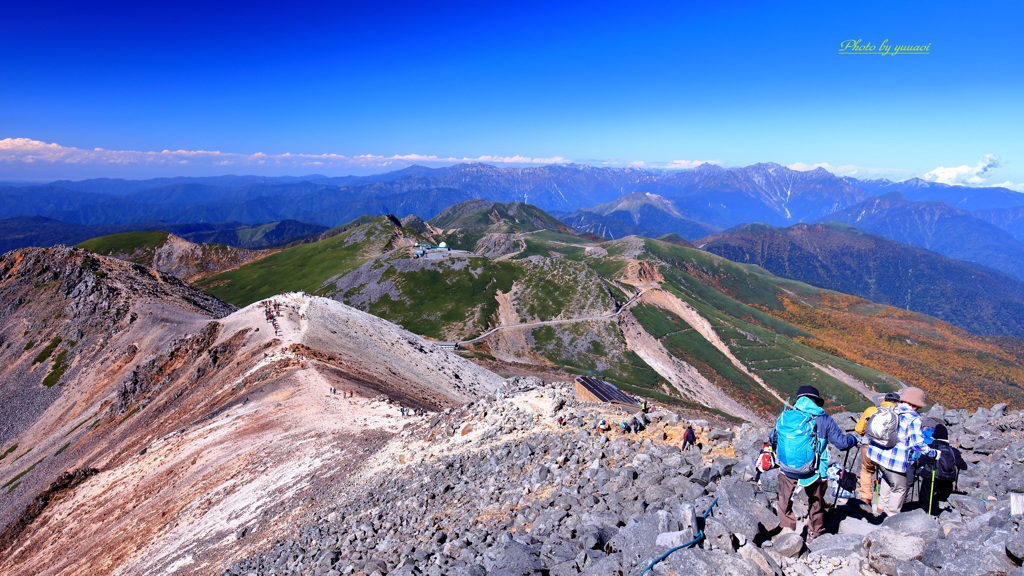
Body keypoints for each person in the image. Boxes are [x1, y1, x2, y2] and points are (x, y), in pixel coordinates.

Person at [770, 385, 858, 542]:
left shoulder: (786, 416)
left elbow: (773, 439)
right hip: (816, 470)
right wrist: (854, 439)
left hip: (786, 468)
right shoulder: (824, 419)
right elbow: (842, 444)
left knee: (784, 499)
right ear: (816, 401)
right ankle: (814, 534)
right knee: (816, 502)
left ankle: (787, 533)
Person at [866, 386, 936, 517]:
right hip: (894, 459)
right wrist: (933, 453)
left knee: (888, 478)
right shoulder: (913, 419)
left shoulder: (891, 409)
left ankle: (880, 508)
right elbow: (918, 444)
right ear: (916, 405)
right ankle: (892, 516)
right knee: (900, 488)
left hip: (876, 454)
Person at [854, 391, 900, 507]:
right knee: (886, 473)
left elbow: (859, 429)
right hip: (888, 448)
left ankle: (866, 498)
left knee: (866, 470)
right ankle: (883, 502)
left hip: (868, 445)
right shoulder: (899, 413)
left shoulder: (871, 410)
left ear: (884, 400)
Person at [915, 423, 967, 515]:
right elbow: (964, 466)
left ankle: (924, 512)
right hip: (947, 479)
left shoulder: (930, 448)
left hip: (931, 477)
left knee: (926, 493)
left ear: (935, 436)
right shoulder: (954, 451)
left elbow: (920, 462)